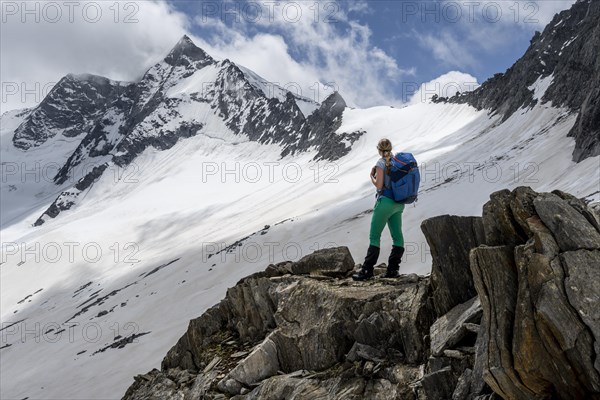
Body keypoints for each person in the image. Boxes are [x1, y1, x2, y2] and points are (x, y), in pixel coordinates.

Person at [352, 138, 405, 281]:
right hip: (399, 204)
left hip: (385, 203)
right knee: (398, 236)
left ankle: (367, 271)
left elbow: (379, 185)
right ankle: (393, 270)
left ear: (379, 150)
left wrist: (371, 176)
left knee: (374, 236)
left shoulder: (381, 163)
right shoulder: (397, 162)